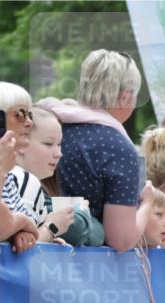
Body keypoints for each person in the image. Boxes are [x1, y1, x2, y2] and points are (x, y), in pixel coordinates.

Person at [41, 50, 148, 251]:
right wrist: (148, 205)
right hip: (86, 264)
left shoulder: (47, 127)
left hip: (27, 249)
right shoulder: (119, 150)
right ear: (125, 96)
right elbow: (120, 240)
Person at [8, 106, 79, 245]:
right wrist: (52, 228)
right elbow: (20, 249)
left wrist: (48, 240)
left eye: (59, 144)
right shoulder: (25, 179)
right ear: (21, 141)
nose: (59, 153)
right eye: (48, 143)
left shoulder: (14, 177)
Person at [0, 82, 41, 250]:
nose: (29, 122)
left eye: (30, 114)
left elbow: (30, 226)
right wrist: (21, 222)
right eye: (20, 114)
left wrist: (19, 231)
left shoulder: (7, 174)